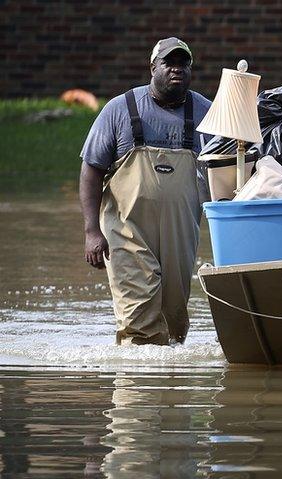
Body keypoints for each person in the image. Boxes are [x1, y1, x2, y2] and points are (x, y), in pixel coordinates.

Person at [79, 37, 213, 345]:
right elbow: (91, 169)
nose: (177, 69)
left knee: (174, 317)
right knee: (139, 316)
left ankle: (170, 388)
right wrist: (91, 231)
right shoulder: (119, 109)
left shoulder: (206, 113)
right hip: (127, 230)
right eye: (169, 63)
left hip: (181, 232)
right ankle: (137, 388)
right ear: (152, 68)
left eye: (184, 64)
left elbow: (225, 171)